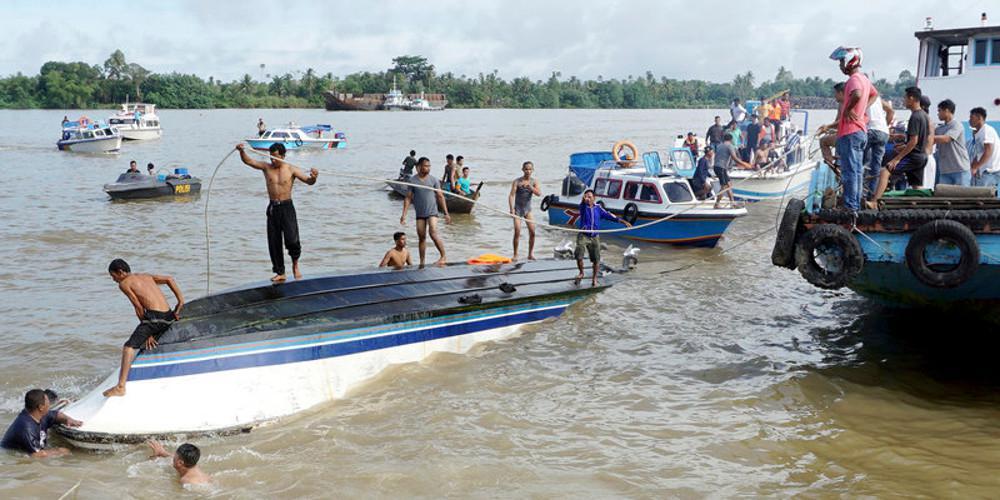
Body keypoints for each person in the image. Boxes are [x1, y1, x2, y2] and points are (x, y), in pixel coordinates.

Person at [236, 142, 319, 282]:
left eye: (275, 157)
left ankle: (295, 265)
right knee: (274, 242)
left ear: (283, 156)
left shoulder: (291, 169)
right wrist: (241, 151)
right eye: (270, 157)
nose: (272, 160)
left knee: (292, 240)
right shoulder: (266, 167)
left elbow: (309, 181)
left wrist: (314, 177)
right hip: (273, 208)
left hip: (287, 207)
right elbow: (249, 161)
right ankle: (280, 272)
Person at [102, 259, 184, 397]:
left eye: (113, 276)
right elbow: (169, 279)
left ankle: (121, 387)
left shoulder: (124, 283)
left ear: (121, 272)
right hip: (169, 317)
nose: (113, 279)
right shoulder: (146, 276)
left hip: (155, 319)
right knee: (143, 334)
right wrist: (180, 301)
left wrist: (148, 332)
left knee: (128, 347)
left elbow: (138, 307)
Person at [831, 46, 876, 212]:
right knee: (856, 171)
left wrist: (849, 109)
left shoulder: (854, 80)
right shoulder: (864, 79)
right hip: (860, 131)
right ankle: (855, 205)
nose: (841, 65)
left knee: (850, 171)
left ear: (851, 60)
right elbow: (873, 94)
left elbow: (857, 94)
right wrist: (862, 109)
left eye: (842, 61)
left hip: (850, 131)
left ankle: (850, 207)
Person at [869, 87, 928, 207]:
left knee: (885, 171)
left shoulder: (915, 117)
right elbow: (920, 140)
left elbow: (914, 141)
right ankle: (923, 207)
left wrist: (897, 159)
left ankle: (875, 202)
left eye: (905, 98)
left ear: (911, 98)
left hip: (914, 157)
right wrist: (903, 144)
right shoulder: (923, 115)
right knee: (916, 186)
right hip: (922, 156)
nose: (903, 101)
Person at [400, 157, 451, 267]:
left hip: (432, 211)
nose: (428, 168)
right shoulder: (413, 181)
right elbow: (408, 198)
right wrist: (404, 215)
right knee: (421, 237)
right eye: (425, 166)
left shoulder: (434, 180)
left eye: (429, 166)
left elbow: (440, 196)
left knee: (432, 231)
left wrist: (446, 213)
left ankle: (443, 256)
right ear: (419, 167)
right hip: (420, 213)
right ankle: (422, 262)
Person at [1, 389, 82, 457]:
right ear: (41, 407)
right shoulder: (26, 428)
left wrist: (68, 419)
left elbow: (56, 414)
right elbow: (36, 455)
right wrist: (59, 451)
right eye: (47, 401)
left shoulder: (38, 414)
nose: (49, 403)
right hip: (9, 454)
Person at [575, 189, 631, 287]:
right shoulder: (583, 207)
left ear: (594, 198)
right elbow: (582, 204)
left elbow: (609, 216)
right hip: (583, 235)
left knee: (596, 259)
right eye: (586, 197)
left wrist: (623, 222)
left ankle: (594, 278)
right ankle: (581, 273)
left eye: (589, 197)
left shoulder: (598, 208)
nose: (587, 199)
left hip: (594, 236)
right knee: (579, 253)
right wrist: (583, 201)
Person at [933, 99, 971, 186]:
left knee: (962, 198)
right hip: (945, 171)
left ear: (947, 110)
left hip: (960, 170)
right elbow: (930, 141)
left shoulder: (957, 125)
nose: (938, 113)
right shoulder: (939, 129)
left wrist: (928, 137)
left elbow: (946, 139)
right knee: (944, 197)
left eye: (939, 111)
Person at [509, 161, 542, 261]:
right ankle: (515, 255)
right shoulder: (517, 181)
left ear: (532, 170)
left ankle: (530, 254)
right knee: (517, 231)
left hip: (528, 210)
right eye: (526, 169)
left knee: (532, 232)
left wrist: (530, 187)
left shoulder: (534, 181)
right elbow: (511, 195)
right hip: (518, 209)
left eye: (530, 169)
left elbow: (539, 193)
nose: (528, 171)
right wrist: (511, 209)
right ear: (522, 169)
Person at [864, 95, 893, 198]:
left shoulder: (862, 94)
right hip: (883, 132)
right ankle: (871, 194)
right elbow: (890, 111)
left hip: (870, 130)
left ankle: (859, 193)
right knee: (876, 166)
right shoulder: (878, 98)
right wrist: (885, 125)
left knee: (860, 164)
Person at [147, 440, 211, 485]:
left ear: (180, 463)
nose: (173, 458)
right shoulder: (193, 464)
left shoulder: (186, 481)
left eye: (175, 457)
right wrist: (162, 453)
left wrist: (154, 457)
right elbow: (178, 459)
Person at [714, 134, 752, 208]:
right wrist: (745, 164)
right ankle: (717, 204)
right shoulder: (730, 146)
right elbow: (734, 158)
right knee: (724, 186)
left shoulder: (719, 145)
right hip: (721, 168)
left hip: (717, 167)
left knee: (729, 185)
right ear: (731, 140)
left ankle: (732, 203)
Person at [816, 83, 847, 170]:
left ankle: (832, 164)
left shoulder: (847, 104)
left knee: (823, 141)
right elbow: (837, 122)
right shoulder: (842, 104)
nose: (834, 96)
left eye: (835, 93)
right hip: (842, 134)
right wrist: (828, 129)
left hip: (845, 136)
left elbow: (843, 121)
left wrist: (827, 127)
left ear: (841, 93)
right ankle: (836, 165)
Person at [970, 107, 1000, 191]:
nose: (969, 120)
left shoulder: (986, 130)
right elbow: (980, 153)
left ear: (979, 118)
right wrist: (973, 166)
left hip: (991, 171)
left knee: (982, 197)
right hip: (985, 172)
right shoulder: (979, 133)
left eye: (971, 117)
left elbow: (988, 151)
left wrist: (976, 167)